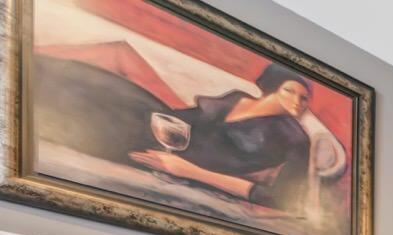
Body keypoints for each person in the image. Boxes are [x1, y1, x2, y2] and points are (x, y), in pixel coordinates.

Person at [34, 53, 314, 213]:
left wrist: (189, 172)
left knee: (73, 120)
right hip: (157, 119)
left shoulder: (297, 140)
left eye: (304, 99)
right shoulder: (237, 97)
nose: (296, 103)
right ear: (273, 87)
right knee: (85, 81)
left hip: (166, 156)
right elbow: (184, 117)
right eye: (290, 91)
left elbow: (280, 200)